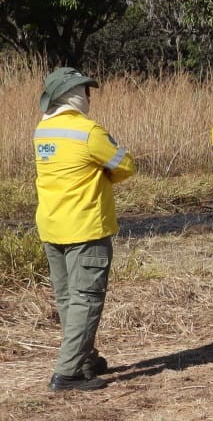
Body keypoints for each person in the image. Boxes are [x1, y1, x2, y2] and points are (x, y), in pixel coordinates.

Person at [33, 67, 136, 392]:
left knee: (67, 299)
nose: (89, 96)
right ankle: (67, 374)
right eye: (85, 91)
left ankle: (84, 358)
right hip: (86, 226)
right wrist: (103, 176)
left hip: (52, 225)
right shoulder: (89, 132)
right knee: (86, 299)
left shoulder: (42, 131)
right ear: (74, 95)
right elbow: (126, 165)